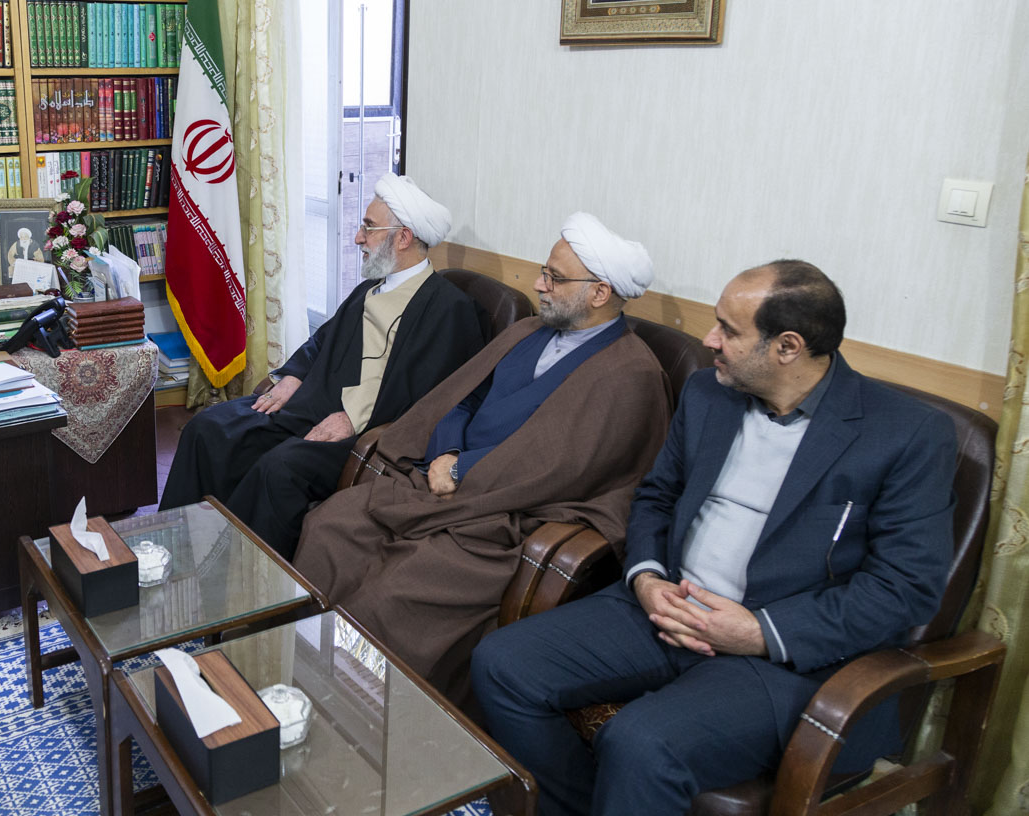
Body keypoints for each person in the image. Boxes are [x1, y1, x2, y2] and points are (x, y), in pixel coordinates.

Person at [470, 261, 957, 816]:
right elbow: (656, 497)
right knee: (502, 663)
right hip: (669, 607)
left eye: (728, 329)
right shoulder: (708, 394)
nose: (709, 340)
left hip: (782, 656)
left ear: (788, 346)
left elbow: (904, 589)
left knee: (641, 742)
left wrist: (757, 632)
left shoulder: (905, 433)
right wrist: (647, 579)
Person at [292, 213, 672, 703]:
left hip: (506, 519)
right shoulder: (530, 331)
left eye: (554, 278)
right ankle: (298, 666)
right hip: (440, 481)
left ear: (600, 293)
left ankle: (358, 708)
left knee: (392, 595)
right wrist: (448, 450)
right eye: (544, 272)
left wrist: (463, 469)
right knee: (330, 526)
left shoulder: (631, 374)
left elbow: (565, 466)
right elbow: (463, 397)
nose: (539, 285)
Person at [159, 174, 486, 559]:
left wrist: (353, 417)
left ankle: (243, 575)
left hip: (361, 434)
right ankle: (175, 554)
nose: (358, 238)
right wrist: (291, 376)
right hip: (310, 405)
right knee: (207, 429)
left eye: (368, 228)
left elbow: (430, 396)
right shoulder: (371, 287)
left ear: (403, 238)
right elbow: (323, 340)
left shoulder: (448, 309)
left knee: (278, 469)